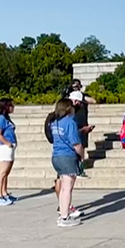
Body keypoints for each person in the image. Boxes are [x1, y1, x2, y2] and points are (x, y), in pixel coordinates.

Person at [48, 98, 84, 227]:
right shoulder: (70, 122)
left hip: (56, 155)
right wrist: (82, 155)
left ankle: (63, 212)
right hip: (67, 156)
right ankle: (64, 216)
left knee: (64, 187)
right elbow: (76, 143)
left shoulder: (55, 122)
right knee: (68, 188)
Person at [0, 98, 17, 206]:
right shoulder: (1, 118)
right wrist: (7, 143)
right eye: (11, 105)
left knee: (6, 173)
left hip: (9, 147)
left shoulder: (6, 118)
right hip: (4, 147)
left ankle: (4, 192)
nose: (13, 107)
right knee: (2, 173)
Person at [68, 90, 96, 179]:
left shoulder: (82, 99)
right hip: (76, 130)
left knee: (81, 148)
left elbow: (93, 100)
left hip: (81, 127)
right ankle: (77, 170)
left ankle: (80, 169)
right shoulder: (68, 109)